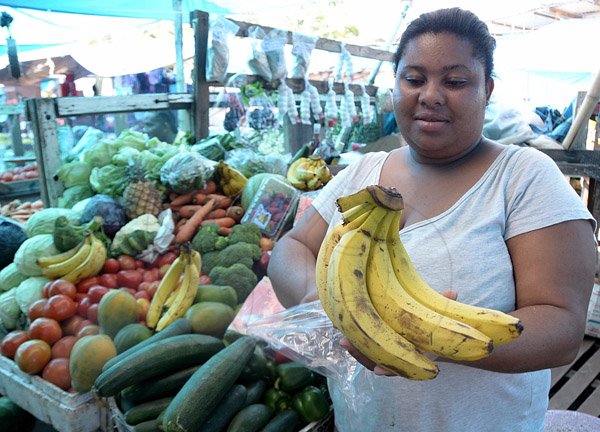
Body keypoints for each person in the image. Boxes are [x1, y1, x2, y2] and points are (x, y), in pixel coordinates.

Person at [267, 7, 597, 432]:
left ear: (487, 89)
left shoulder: (524, 177)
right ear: (397, 86)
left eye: (456, 82)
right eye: (415, 79)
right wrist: (322, 298)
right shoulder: (366, 173)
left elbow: (562, 326)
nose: (431, 95)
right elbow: (292, 248)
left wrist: (442, 341)